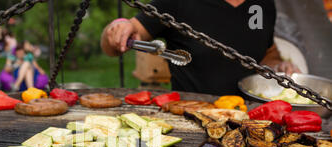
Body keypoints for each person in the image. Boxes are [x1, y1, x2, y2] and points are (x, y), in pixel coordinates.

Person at [101, 0, 301, 95]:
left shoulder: (263, 5)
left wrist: (278, 64)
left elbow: (267, 51)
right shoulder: (176, 3)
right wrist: (117, 29)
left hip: (249, 118)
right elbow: (116, 44)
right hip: (192, 116)